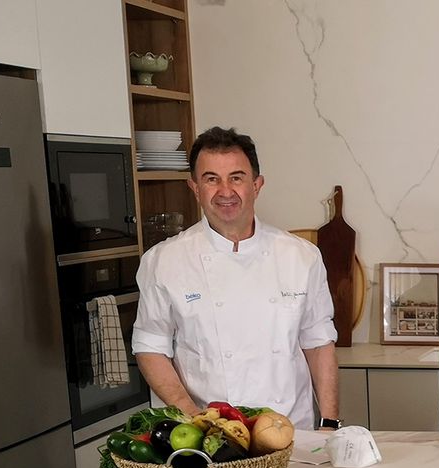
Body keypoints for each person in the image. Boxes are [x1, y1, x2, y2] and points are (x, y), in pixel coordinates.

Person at [133, 126, 341, 430]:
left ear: (257, 185)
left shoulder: (301, 257)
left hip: (294, 433)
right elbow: (151, 348)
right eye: (211, 179)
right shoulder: (164, 262)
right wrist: (195, 420)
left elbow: (319, 343)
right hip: (211, 439)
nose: (225, 191)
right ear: (194, 188)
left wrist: (330, 423)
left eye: (237, 178)